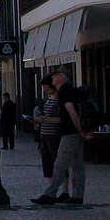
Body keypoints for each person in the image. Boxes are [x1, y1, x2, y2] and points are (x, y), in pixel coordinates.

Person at [33, 71, 89, 205]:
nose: (52, 79)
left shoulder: (64, 91)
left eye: (54, 76)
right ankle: (77, 195)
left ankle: (50, 194)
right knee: (77, 165)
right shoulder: (72, 90)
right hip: (75, 132)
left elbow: (72, 113)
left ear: (60, 78)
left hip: (70, 133)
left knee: (60, 164)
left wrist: (80, 130)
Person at [36, 83, 62, 187]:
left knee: (56, 160)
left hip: (53, 134)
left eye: (46, 88)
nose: (45, 90)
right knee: (46, 162)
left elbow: (62, 119)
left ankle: (62, 188)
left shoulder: (59, 101)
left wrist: (45, 119)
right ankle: (51, 187)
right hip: (44, 133)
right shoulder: (49, 100)